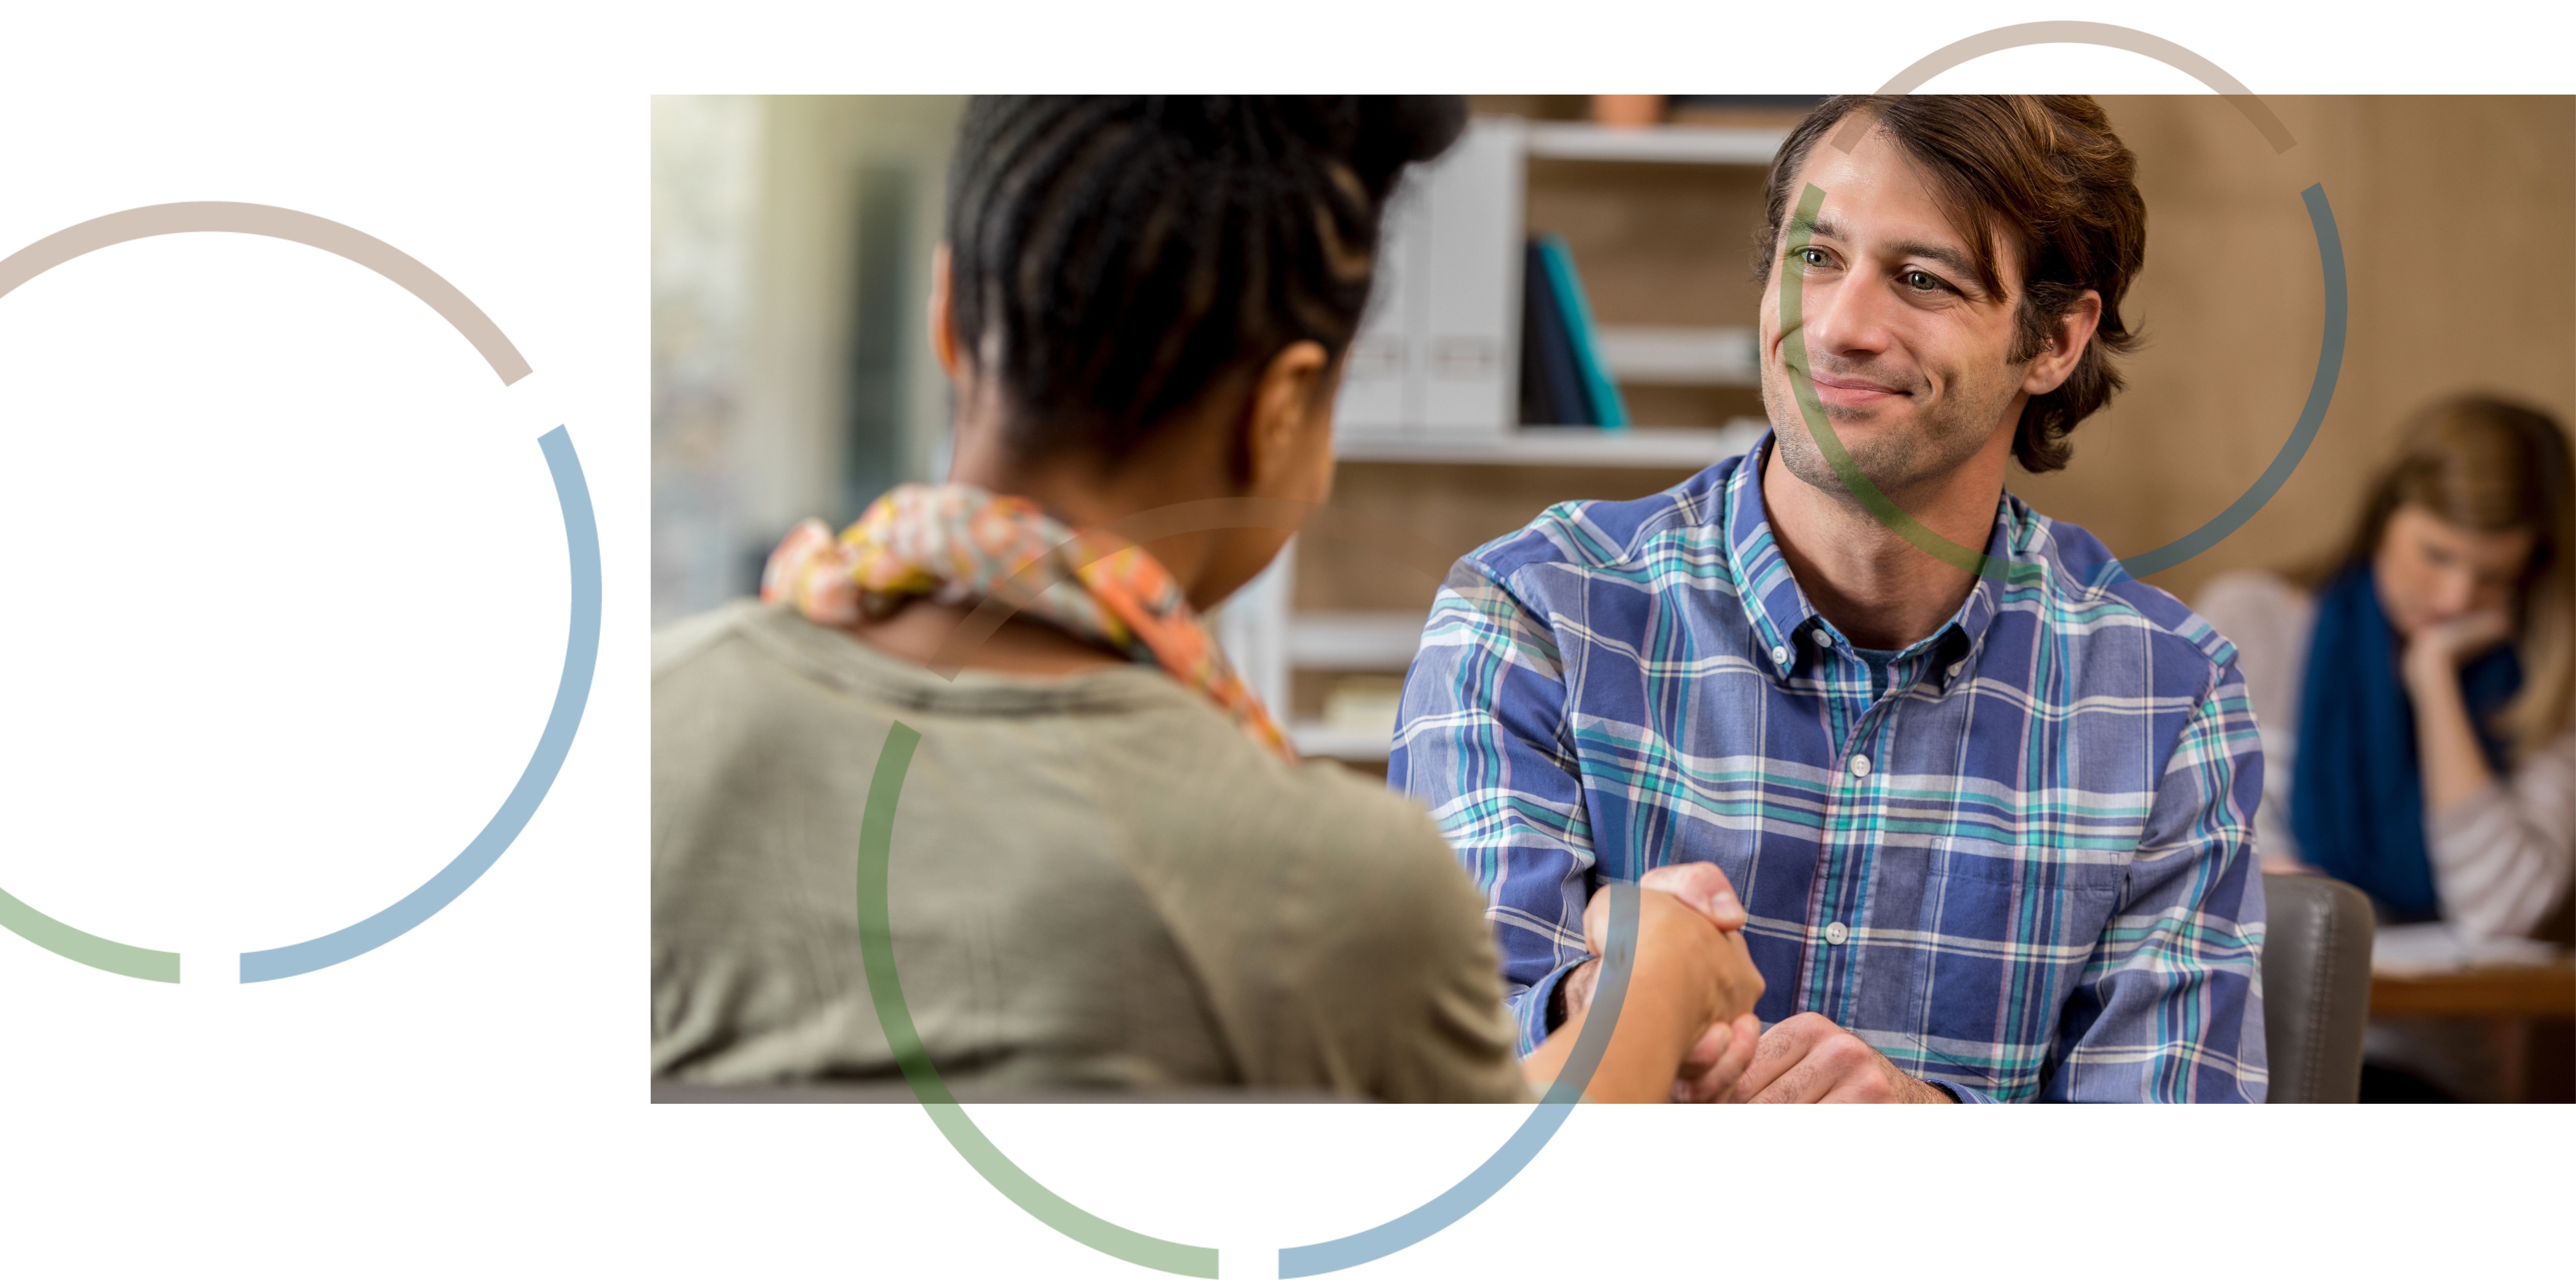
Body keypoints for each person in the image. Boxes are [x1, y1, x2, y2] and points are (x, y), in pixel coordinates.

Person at [653, 96, 1764, 1104]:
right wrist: (1651, 981)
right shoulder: (1326, 882)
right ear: (1281, 412)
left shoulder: (660, 715)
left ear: (948, 315)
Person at [1393, 94, 2268, 1103]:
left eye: (1923, 279)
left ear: (2056, 343)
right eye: (1814, 259)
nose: (1842, 327)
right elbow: (1441, 1086)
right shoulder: (1532, 618)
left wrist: (1927, 1134)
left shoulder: (2166, 698)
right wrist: (1617, 1001)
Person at [2196, 395, 2575, 1101]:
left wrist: (2436, 685)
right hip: (2254, 1035)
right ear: (2384, 520)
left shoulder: (2547, 689)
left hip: (2421, 1061)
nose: (2457, 598)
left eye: (2493, 576)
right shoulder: (2255, 620)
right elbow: (2205, 854)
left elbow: (2501, 916)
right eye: (2438, 556)